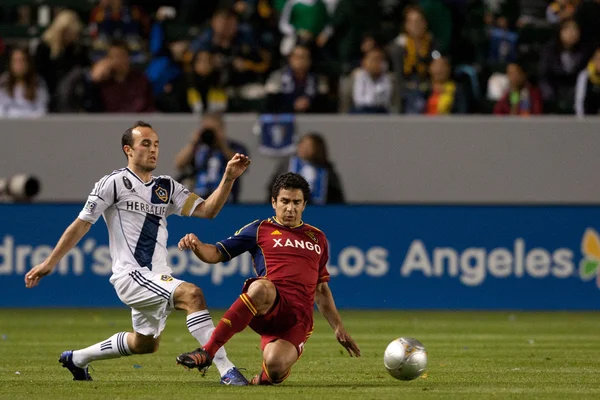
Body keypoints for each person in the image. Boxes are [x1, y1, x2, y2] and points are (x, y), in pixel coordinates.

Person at [24, 121, 251, 386]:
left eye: (156, 144)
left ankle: (77, 358)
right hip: (131, 276)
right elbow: (82, 223)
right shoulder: (113, 183)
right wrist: (50, 262)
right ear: (128, 150)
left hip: (156, 276)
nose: (153, 150)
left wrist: (229, 178)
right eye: (145, 144)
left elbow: (208, 210)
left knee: (145, 344)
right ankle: (227, 370)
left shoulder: (166, 186)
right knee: (192, 295)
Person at [175, 172, 360, 385]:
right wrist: (197, 246)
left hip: (297, 320)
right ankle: (208, 351)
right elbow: (216, 253)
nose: (290, 208)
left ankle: (260, 380)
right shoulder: (260, 229)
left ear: (304, 205)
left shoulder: (317, 238)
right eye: (285, 201)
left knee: (275, 365)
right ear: (274, 202)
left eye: (296, 202)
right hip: (270, 304)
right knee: (262, 288)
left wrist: (338, 328)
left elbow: (321, 289)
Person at [175, 113, 248, 203]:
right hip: (198, 198)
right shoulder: (198, 148)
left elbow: (241, 165)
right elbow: (179, 164)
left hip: (226, 199)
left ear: (221, 129)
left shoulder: (234, 146)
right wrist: (192, 143)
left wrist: (222, 145)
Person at [267, 133, 345, 204]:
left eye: (309, 146)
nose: (303, 148)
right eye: (302, 144)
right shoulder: (287, 165)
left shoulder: (326, 171)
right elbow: (273, 187)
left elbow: (336, 195)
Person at [0, 47, 49, 118]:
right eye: (15, 61)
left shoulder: (38, 83)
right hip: (7, 126)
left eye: (22, 60)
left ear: (28, 63)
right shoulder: (3, 82)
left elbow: (42, 110)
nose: (19, 65)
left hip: (32, 126)